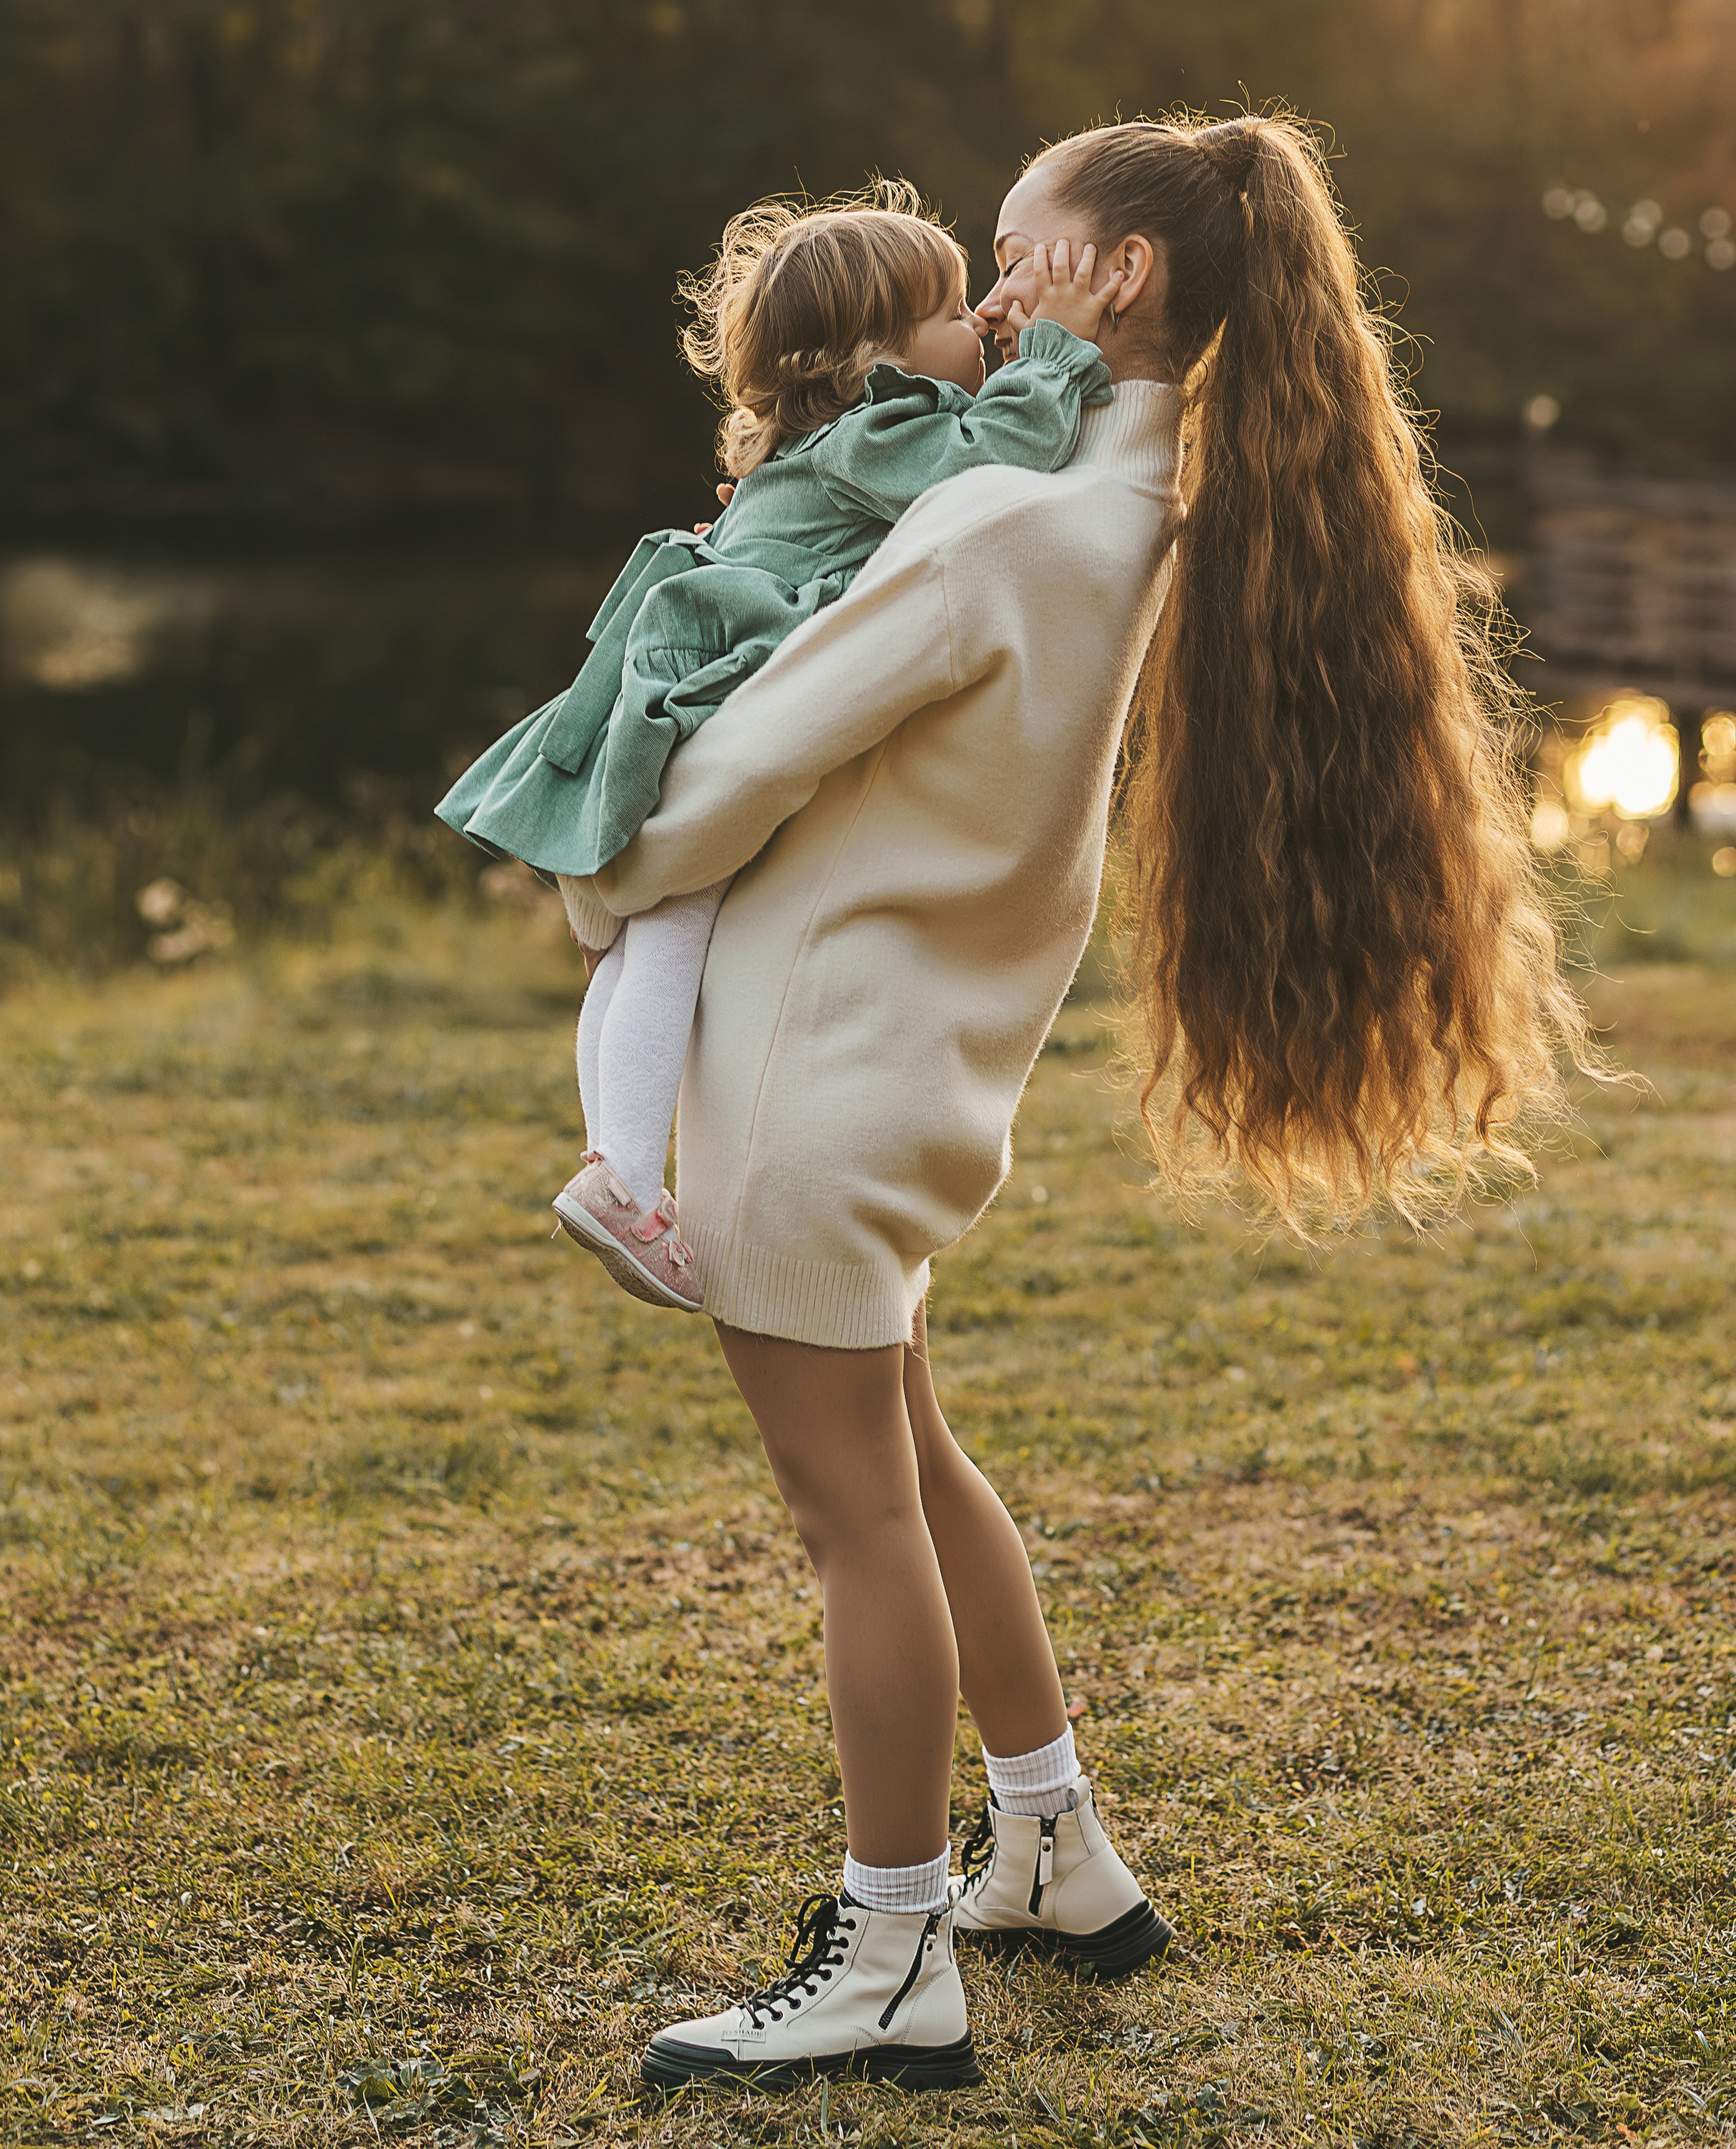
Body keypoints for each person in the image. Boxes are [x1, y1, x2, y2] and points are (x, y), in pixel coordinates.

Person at [553, 113, 1594, 2097]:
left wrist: (601, 886)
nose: (990, 280)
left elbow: (744, 763)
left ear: (1122, 276)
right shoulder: (1132, 499)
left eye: (1018, 248)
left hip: (808, 1071)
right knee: (918, 1458)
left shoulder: (994, 526)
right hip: (916, 1072)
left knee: (851, 1511)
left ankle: (887, 1954)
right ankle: (1047, 1845)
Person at [436, 187, 1123, 1313]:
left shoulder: (820, 440)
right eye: (955, 308)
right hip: (720, 686)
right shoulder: (882, 430)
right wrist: (1056, 356)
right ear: (874, 356)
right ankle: (620, 1175)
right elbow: (1005, 460)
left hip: (673, 669)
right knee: (677, 920)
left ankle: (611, 1159)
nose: (982, 326)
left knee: (640, 944)